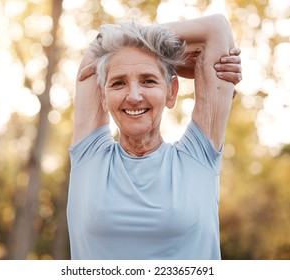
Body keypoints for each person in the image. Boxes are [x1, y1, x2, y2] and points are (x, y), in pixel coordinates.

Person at [67, 14, 242, 260]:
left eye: (148, 81)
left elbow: (215, 28)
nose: (134, 96)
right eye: (118, 83)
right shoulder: (90, 155)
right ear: (103, 97)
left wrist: (139, 42)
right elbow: (97, 47)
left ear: (171, 92)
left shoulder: (199, 155)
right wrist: (142, 45)